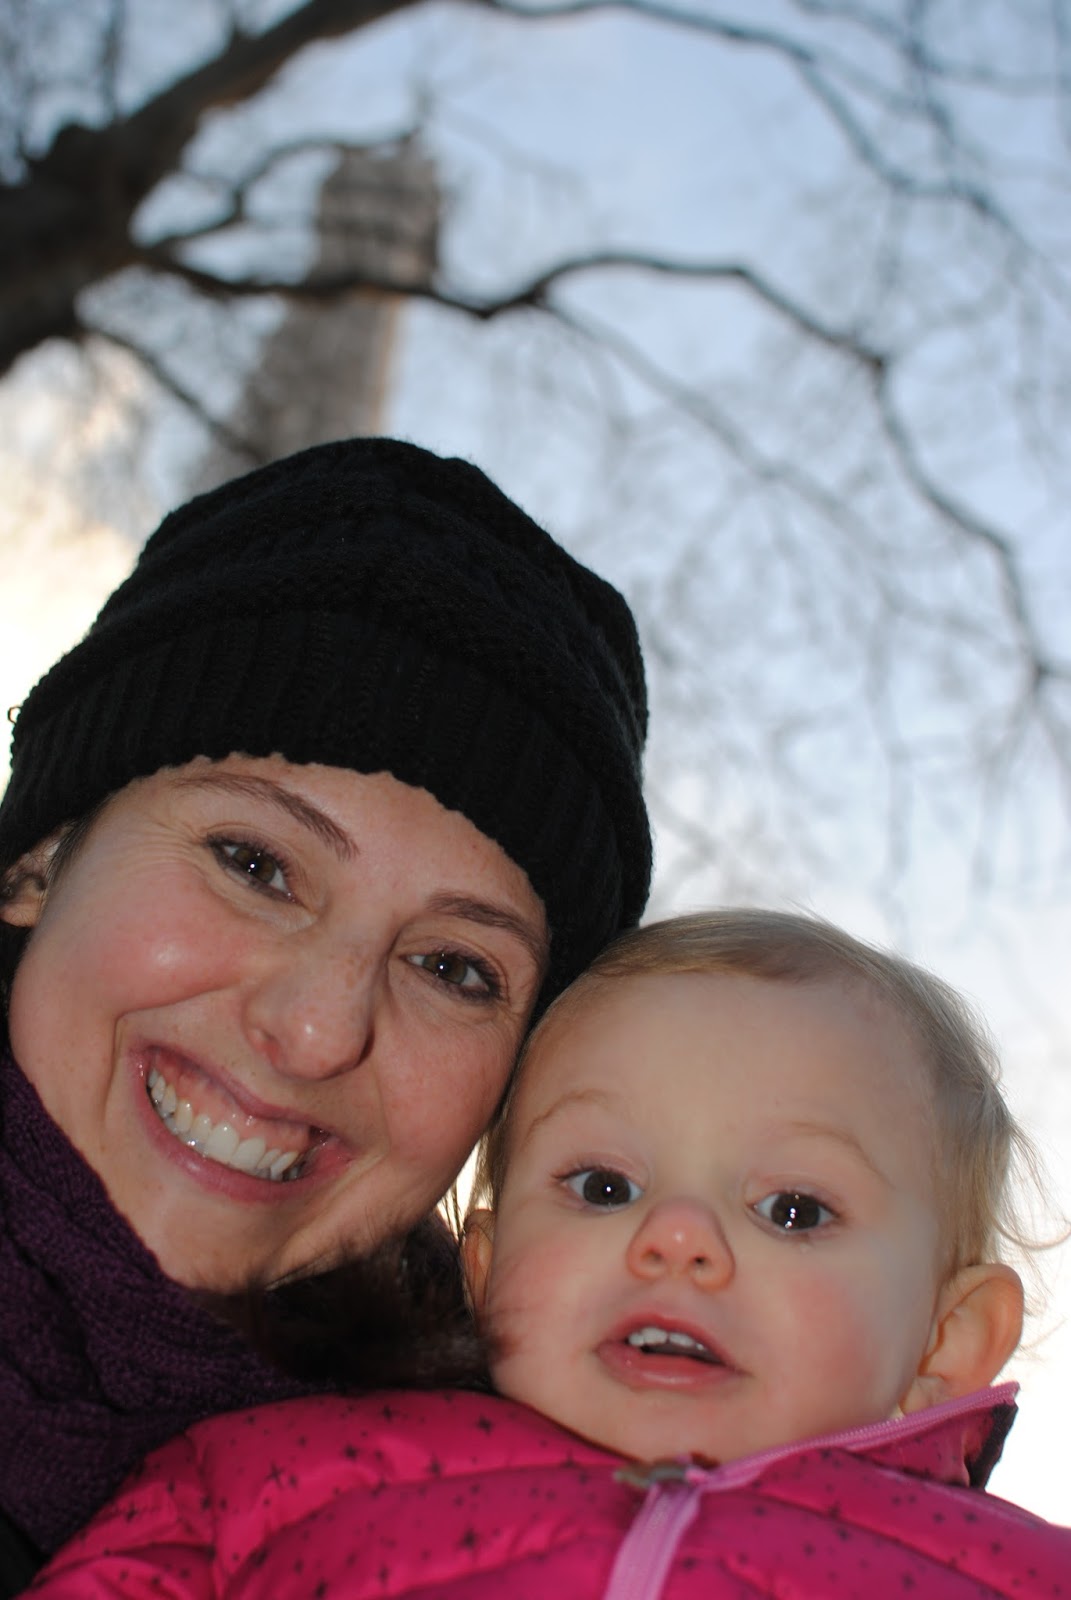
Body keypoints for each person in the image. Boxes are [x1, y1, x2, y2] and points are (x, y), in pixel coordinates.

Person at [0, 436, 653, 1594]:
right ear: (43, 857)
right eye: (255, 864)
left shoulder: (554, 1537)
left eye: (454, 968)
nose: (316, 1031)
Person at [27, 910, 1070, 1599]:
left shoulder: (1013, 1573)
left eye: (792, 1210)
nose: (676, 1239)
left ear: (944, 1339)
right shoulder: (279, 1471)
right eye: (604, 1187)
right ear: (485, 1268)